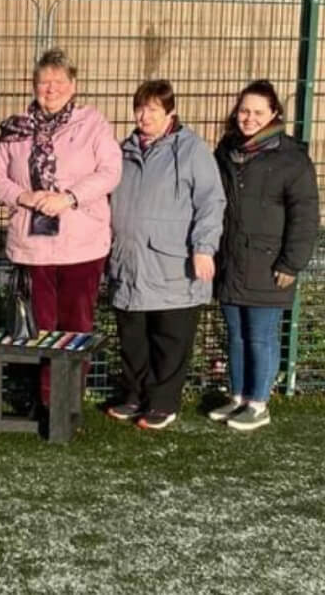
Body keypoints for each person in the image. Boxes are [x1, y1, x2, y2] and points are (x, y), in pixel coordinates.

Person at [0, 48, 122, 405]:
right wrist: (24, 197)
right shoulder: (14, 129)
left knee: (76, 326)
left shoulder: (93, 124)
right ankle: (45, 400)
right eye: (44, 82)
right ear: (33, 86)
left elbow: (110, 171)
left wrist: (69, 197)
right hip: (34, 246)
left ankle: (68, 400)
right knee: (40, 326)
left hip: (82, 245)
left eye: (59, 81)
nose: (51, 88)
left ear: (73, 85)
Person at [105, 80, 226, 430]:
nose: (144, 116)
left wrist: (204, 248)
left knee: (170, 339)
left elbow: (211, 202)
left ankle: (162, 402)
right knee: (133, 338)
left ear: (170, 112)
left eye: (153, 109)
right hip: (129, 261)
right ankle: (133, 395)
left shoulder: (191, 151)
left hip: (173, 263)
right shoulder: (123, 150)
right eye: (140, 108)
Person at [210, 80, 319, 432]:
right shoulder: (226, 150)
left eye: (258, 112)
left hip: (270, 264)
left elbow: (305, 215)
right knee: (236, 334)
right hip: (231, 260)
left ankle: (259, 402)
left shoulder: (292, 159)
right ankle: (239, 395)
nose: (249, 118)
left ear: (274, 114)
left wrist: (291, 262)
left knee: (260, 335)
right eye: (244, 110)